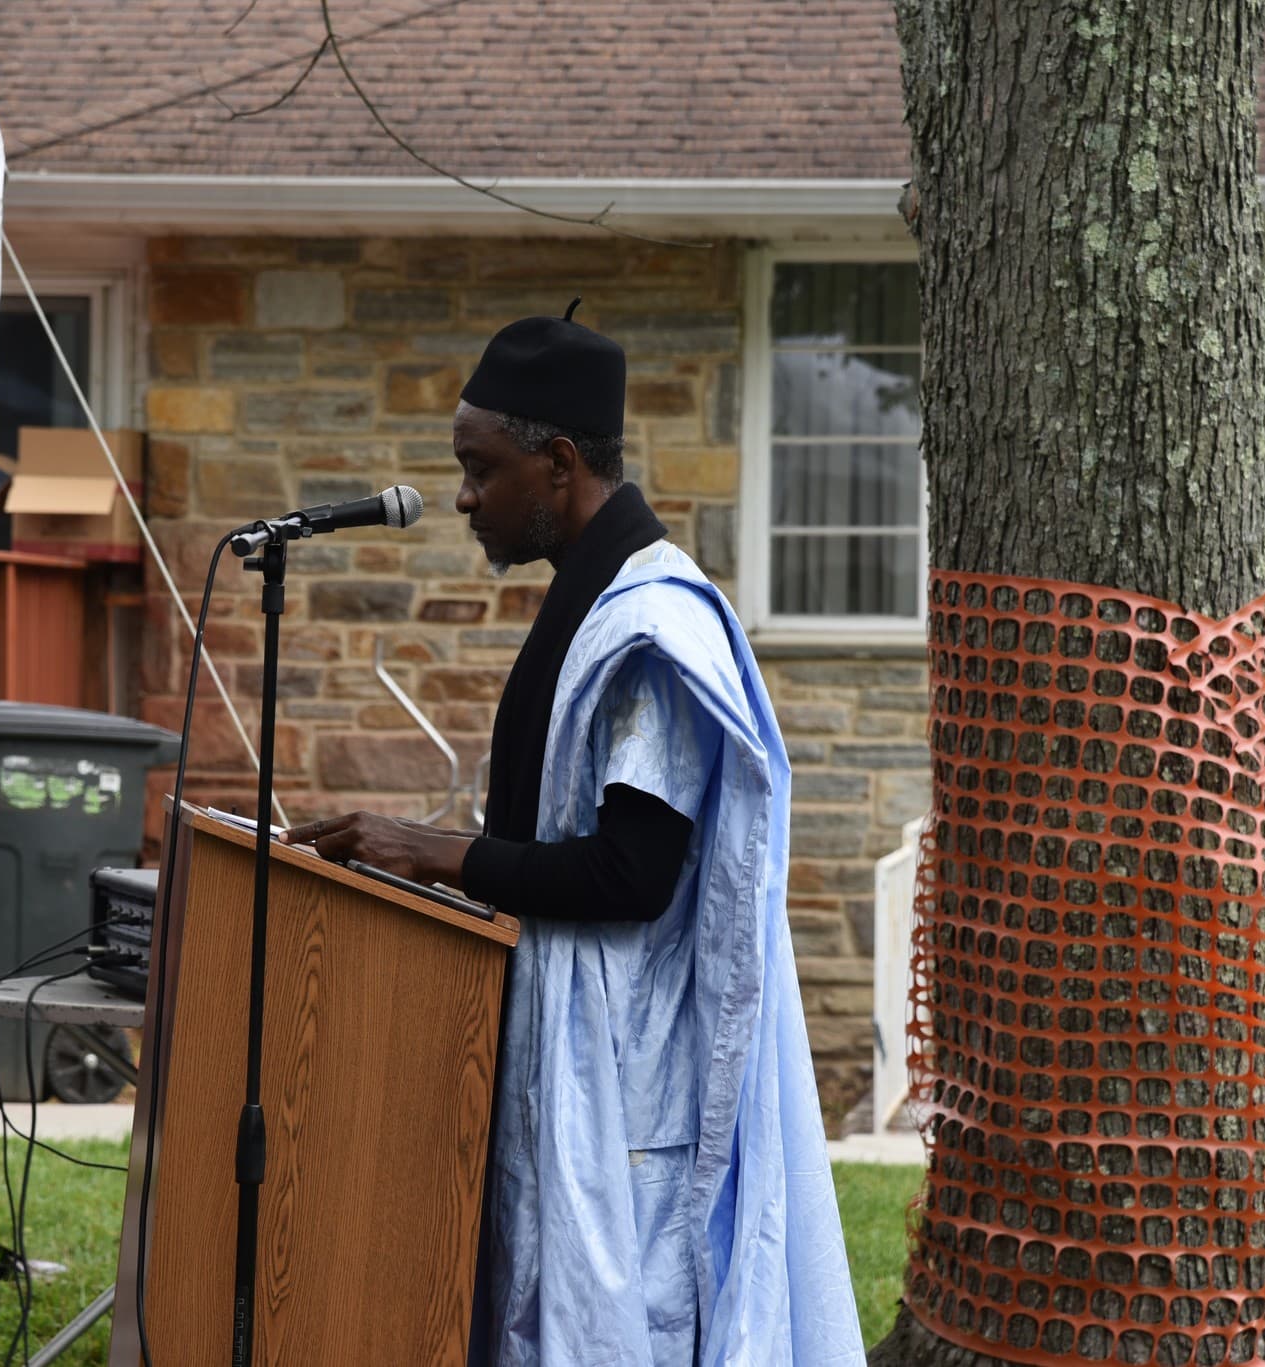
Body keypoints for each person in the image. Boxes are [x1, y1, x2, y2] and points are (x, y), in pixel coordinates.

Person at [284, 302, 860, 1365]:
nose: (459, 497)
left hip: (631, 1081)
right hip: (572, 1049)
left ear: (555, 462)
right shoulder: (587, 599)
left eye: (477, 466)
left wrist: (429, 850)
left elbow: (629, 871)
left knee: (612, 1327)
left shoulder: (651, 625)